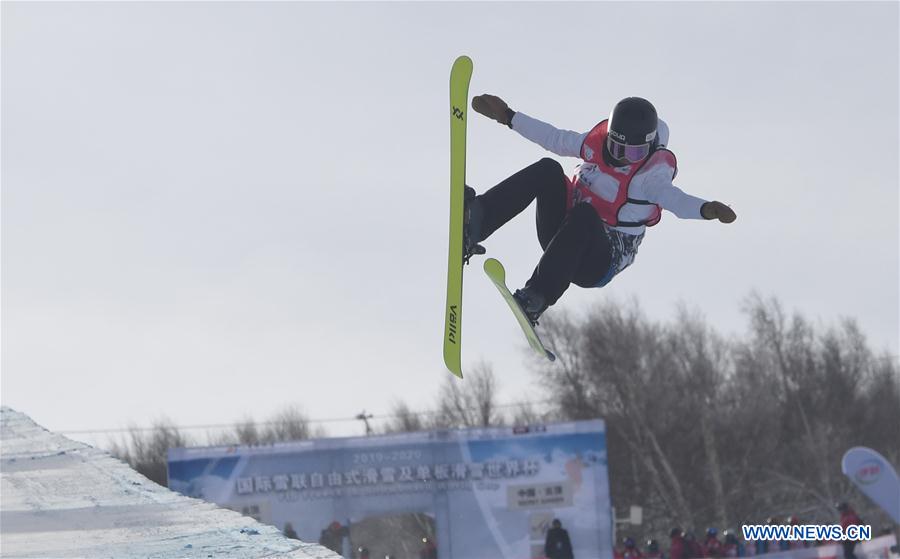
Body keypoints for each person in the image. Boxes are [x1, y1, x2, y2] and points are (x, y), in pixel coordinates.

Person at [465, 94, 737, 325]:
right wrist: (508, 116)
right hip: (562, 236)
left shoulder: (649, 178)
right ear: (608, 137)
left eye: (633, 154)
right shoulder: (593, 146)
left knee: (585, 215)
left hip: (596, 261)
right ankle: (478, 220)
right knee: (548, 169)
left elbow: (675, 200)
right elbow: (554, 137)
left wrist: (707, 209)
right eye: (616, 147)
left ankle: (536, 297)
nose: (621, 157)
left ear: (649, 148)